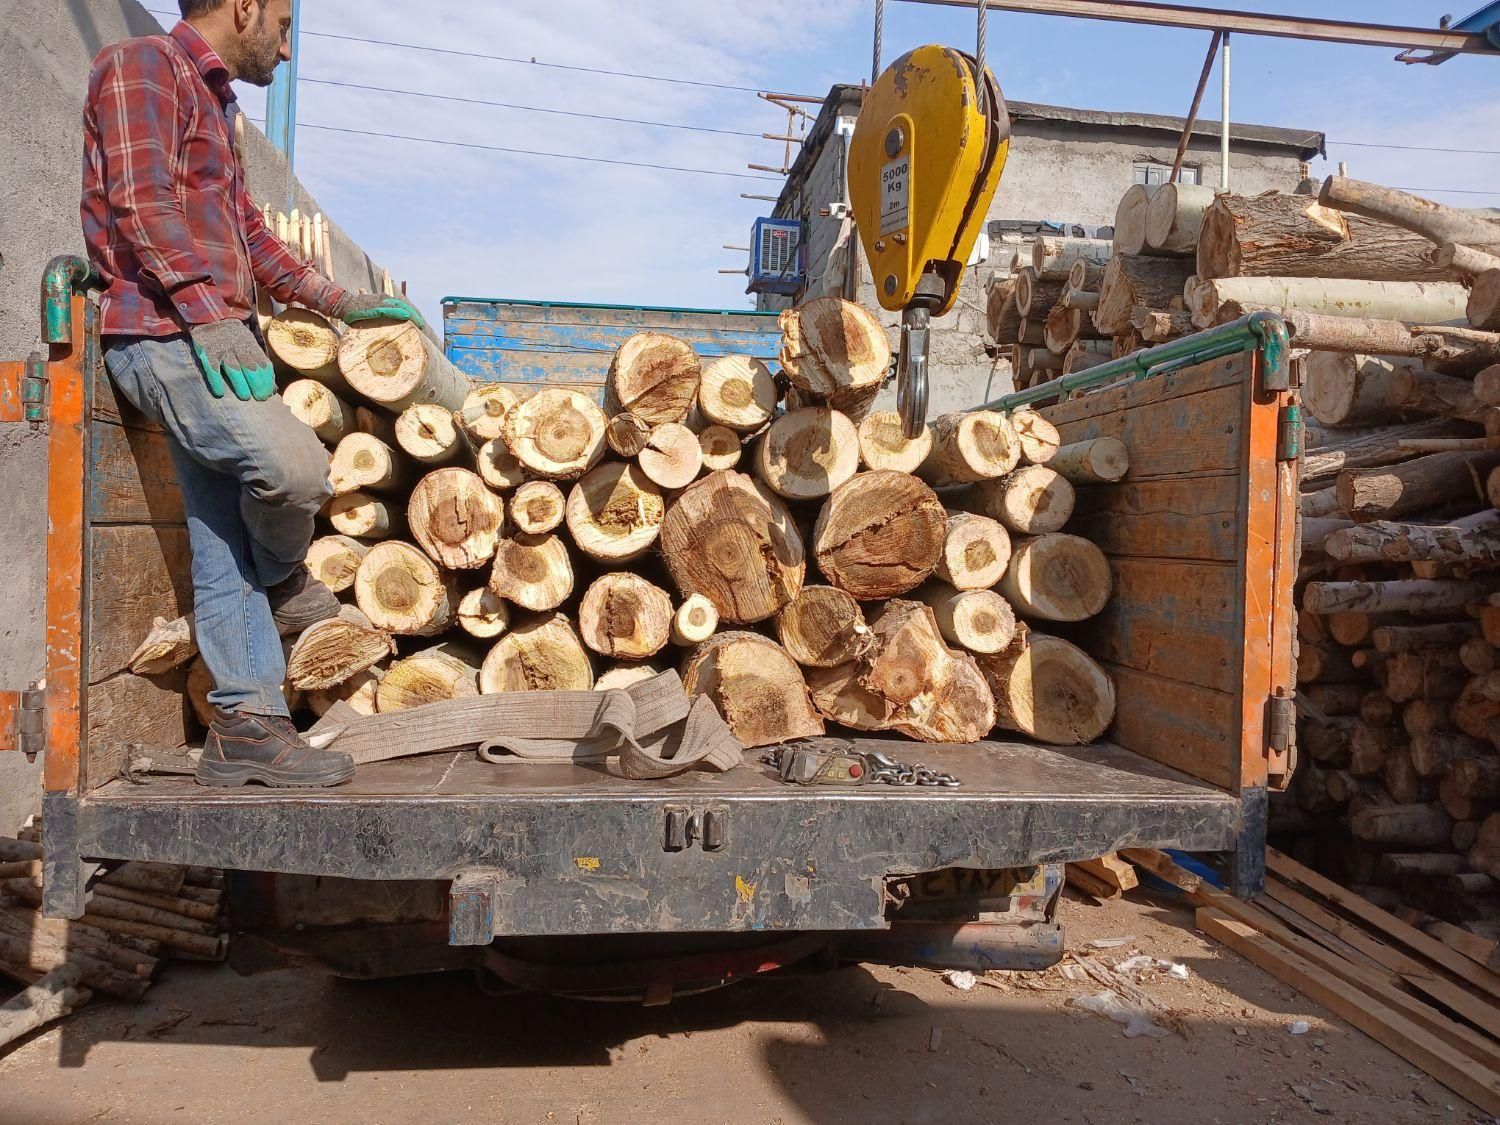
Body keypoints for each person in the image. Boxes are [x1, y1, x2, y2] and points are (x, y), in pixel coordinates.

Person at [81, 0, 422, 787]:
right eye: (284, 23)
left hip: (203, 343)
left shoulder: (215, 104)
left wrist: (340, 303)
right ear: (244, 7)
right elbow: (141, 204)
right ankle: (283, 577)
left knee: (220, 536)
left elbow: (253, 237)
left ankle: (246, 723)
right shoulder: (141, 67)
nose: (288, 48)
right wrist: (213, 322)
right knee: (295, 470)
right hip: (163, 340)